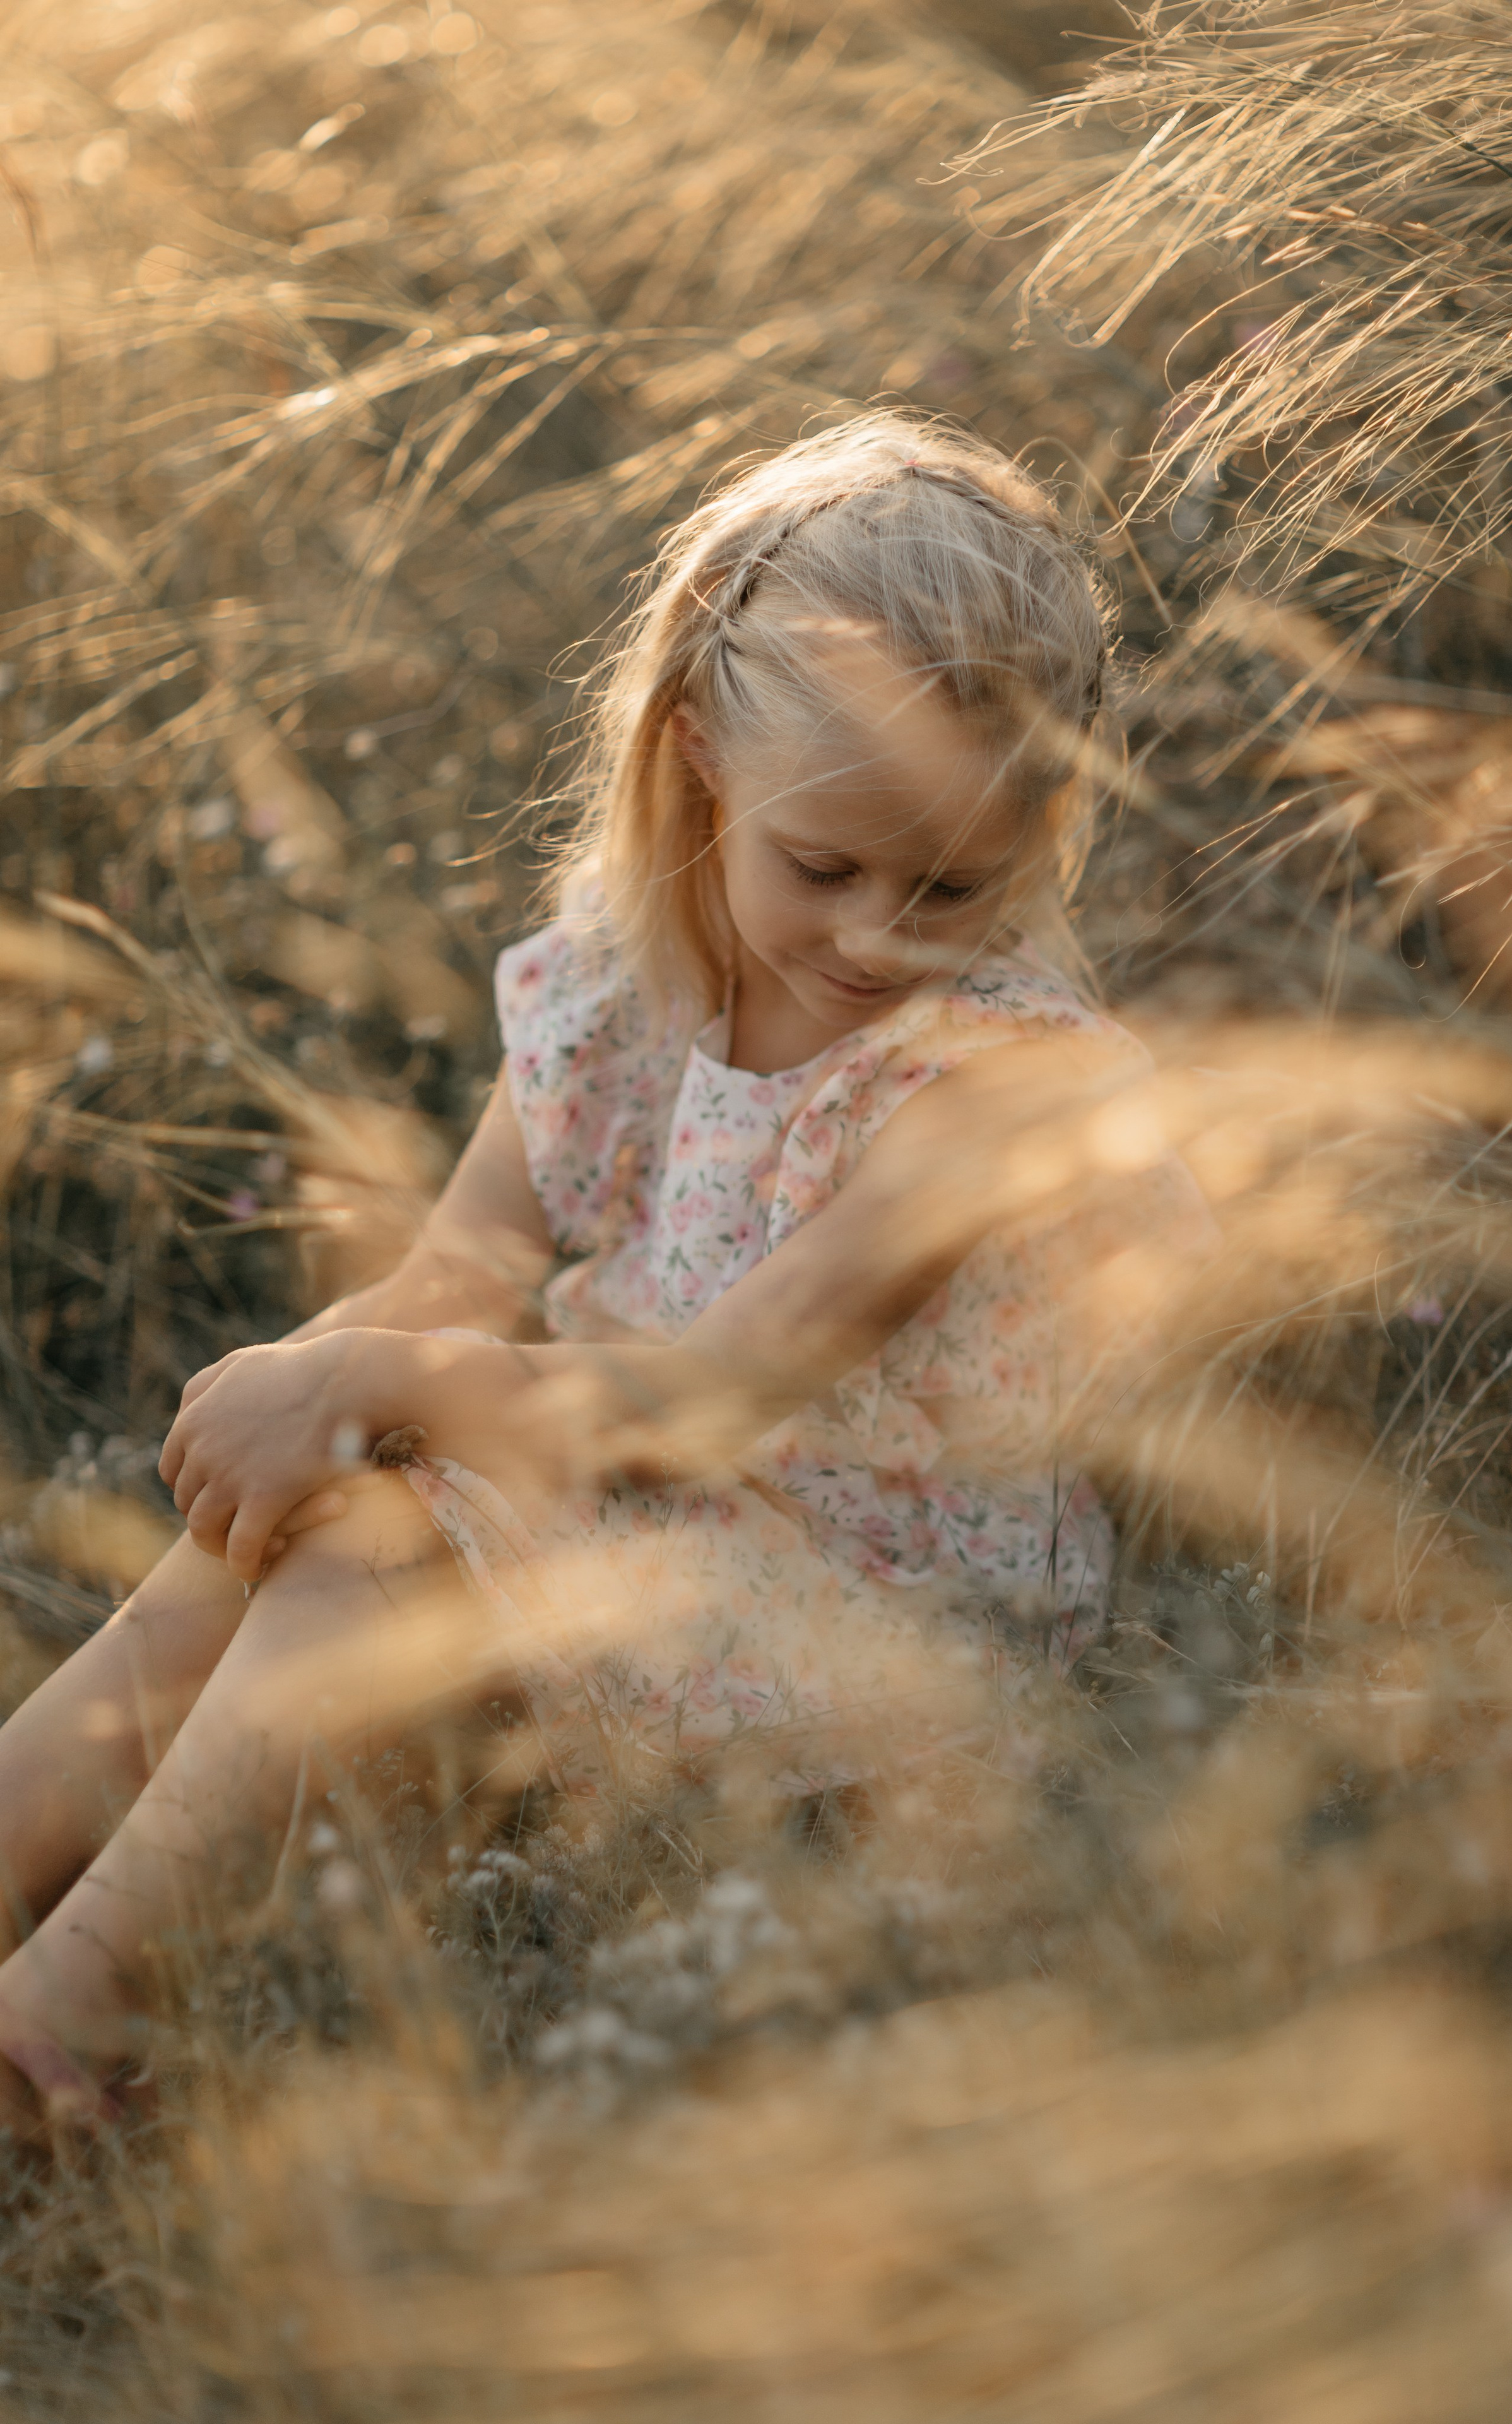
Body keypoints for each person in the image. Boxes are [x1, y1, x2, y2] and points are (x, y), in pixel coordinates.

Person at [0, 412, 1198, 2134]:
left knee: (383, 1517)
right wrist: (305, 1386)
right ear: (703, 754)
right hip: (633, 1484)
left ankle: (65, 2018)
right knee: (303, 1505)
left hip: (878, 1591)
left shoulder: (992, 1081)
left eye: (951, 884)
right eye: (823, 867)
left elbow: (719, 1391)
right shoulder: (630, 980)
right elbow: (460, 1269)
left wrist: (376, 1390)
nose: (878, 933)